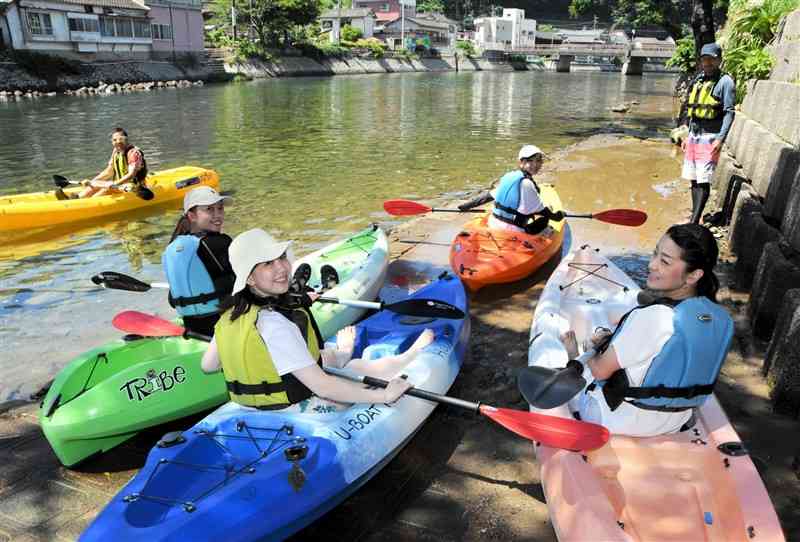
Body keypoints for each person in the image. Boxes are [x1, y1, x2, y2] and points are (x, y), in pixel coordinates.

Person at [200, 228, 423, 412]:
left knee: (325, 359)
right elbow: (324, 388)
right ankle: (407, 357)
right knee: (354, 367)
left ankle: (343, 354)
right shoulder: (273, 324)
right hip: (290, 409)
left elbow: (208, 366)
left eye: (281, 258)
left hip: (248, 408)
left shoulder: (228, 316)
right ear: (249, 277)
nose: (282, 268)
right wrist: (385, 394)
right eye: (268, 263)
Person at [559, 223, 734, 437]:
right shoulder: (719, 319)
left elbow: (599, 371)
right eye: (655, 254)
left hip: (616, 421)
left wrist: (595, 347)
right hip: (674, 422)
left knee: (590, 353)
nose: (652, 265)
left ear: (693, 276)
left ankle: (573, 353)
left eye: (665, 261)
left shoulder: (653, 317)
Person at [162, 186, 234, 337]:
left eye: (220, 209)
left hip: (193, 327)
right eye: (209, 209)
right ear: (192, 215)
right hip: (222, 326)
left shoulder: (171, 248)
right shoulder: (220, 242)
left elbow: (171, 299)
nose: (218, 215)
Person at [681, 43, 735, 224]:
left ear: (719, 60)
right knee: (694, 179)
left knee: (703, 180)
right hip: (694, 136)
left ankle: (694, 220)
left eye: (712, 59)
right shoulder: (699, 79)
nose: (708, 62)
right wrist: (686, 136)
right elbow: (692, 112)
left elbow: (729, 112)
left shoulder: (725, 82)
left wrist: (720, 138)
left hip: (710, 137)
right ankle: (694, 217)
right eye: (705, 59)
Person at [458, 145, 564, 234]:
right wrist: (558, 216)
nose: (535, 165)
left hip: (493, 224)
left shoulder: (509, 177)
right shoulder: (527, 183)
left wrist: (466, 206)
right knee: (544, 220)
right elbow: (544, 212)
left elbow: (488, 197)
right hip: (514, 231)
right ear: (521, 162)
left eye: (538, 161)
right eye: (530, 161)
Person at [58, 127, 148, 199]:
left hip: (134, 187)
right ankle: (76, 199)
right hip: (121, 184)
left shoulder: (133, 153)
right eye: (115, 140)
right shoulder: (116, 151)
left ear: (126, 139)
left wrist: (115, 184)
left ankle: (88, 204)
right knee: (94, 185)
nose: (118, 142)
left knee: (105, 189)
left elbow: (131, 175)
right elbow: (109, 172)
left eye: (121, 139)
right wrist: (92, 182)